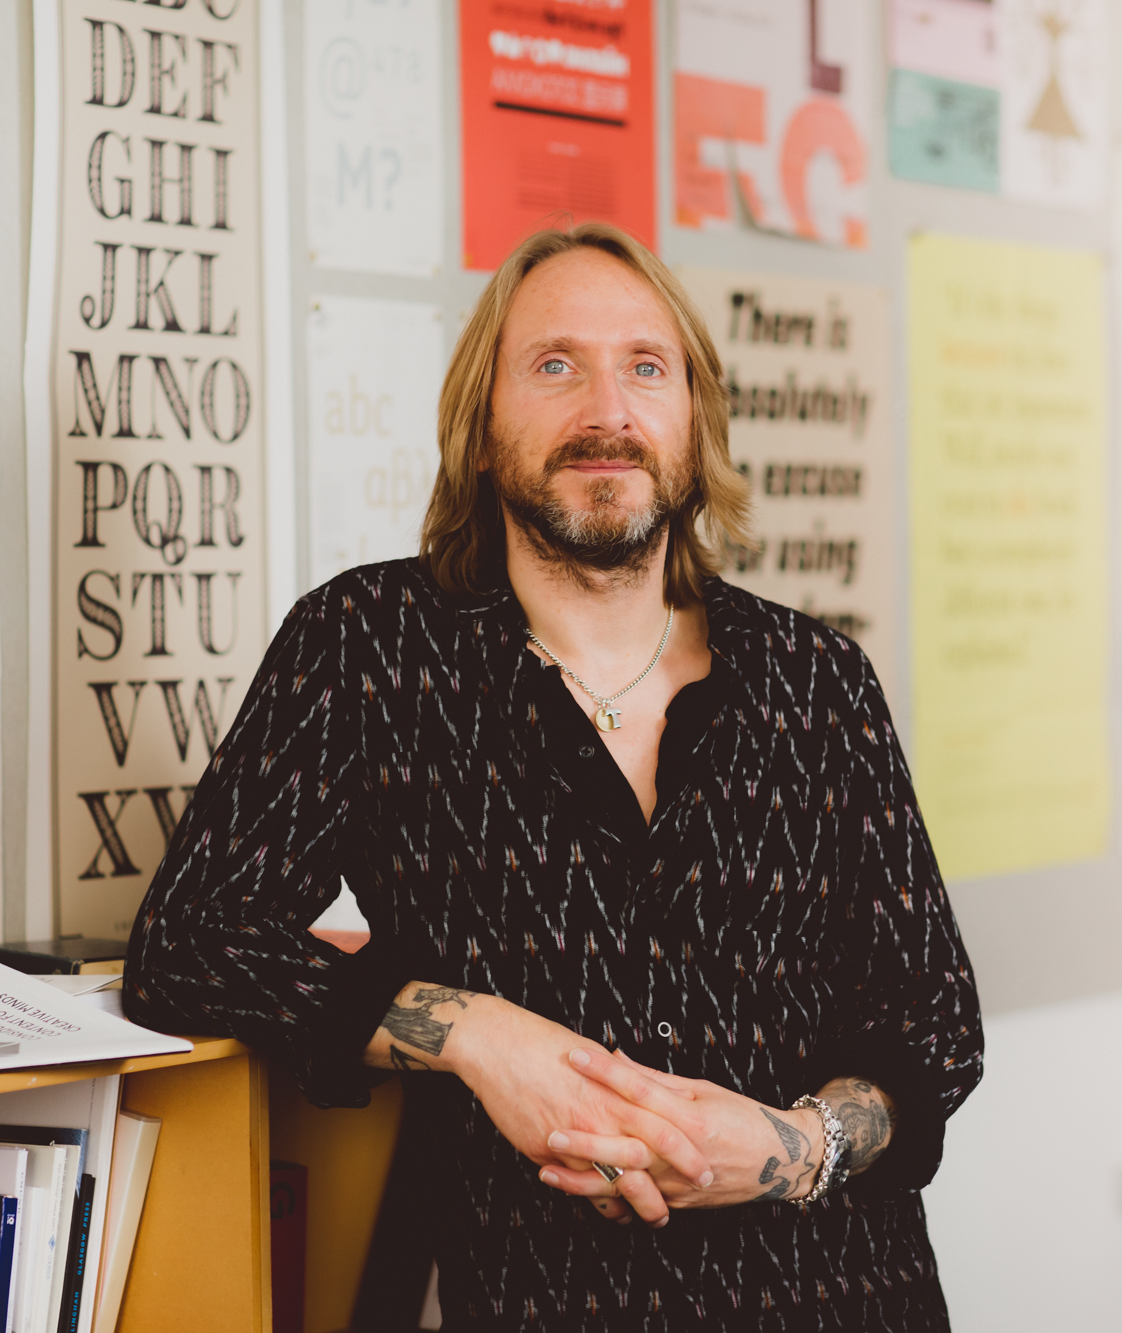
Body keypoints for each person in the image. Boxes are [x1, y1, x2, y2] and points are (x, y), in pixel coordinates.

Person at [126, 222, 984, 1331]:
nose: (605, 412)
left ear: (691, 419)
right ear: (481, 429)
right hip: (540, 1296)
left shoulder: (816, 681)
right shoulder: (370, 648)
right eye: (553, 365)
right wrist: (477, 1034)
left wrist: (785, 1148)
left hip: (839, 1297)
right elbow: (191, 941)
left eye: (644, 366)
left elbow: (932, 1020)